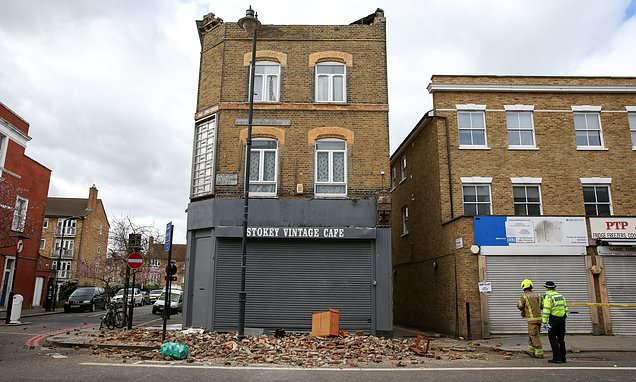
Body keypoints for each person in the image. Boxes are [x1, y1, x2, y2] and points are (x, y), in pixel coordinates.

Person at [542, 280, 568, 364]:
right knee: (561, 339)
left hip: (553, 319)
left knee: (553, 338)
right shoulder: (561, 296)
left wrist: (544, 321)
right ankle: (563, 358)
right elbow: (565, 308)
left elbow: (546, 310)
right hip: (562, 319)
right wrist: (564, 317)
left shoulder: (548, 297)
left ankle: (557, 358)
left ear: (546, 288)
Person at [517, 279, 544, 358]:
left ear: (523, 287)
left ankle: (539, 352)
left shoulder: (524, 296)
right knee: (533, 335)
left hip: (531, 320)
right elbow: (542, 306)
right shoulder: (539, 295)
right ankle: (530, 350)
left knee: (534, 336)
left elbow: (520, 306)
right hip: (539, 319)